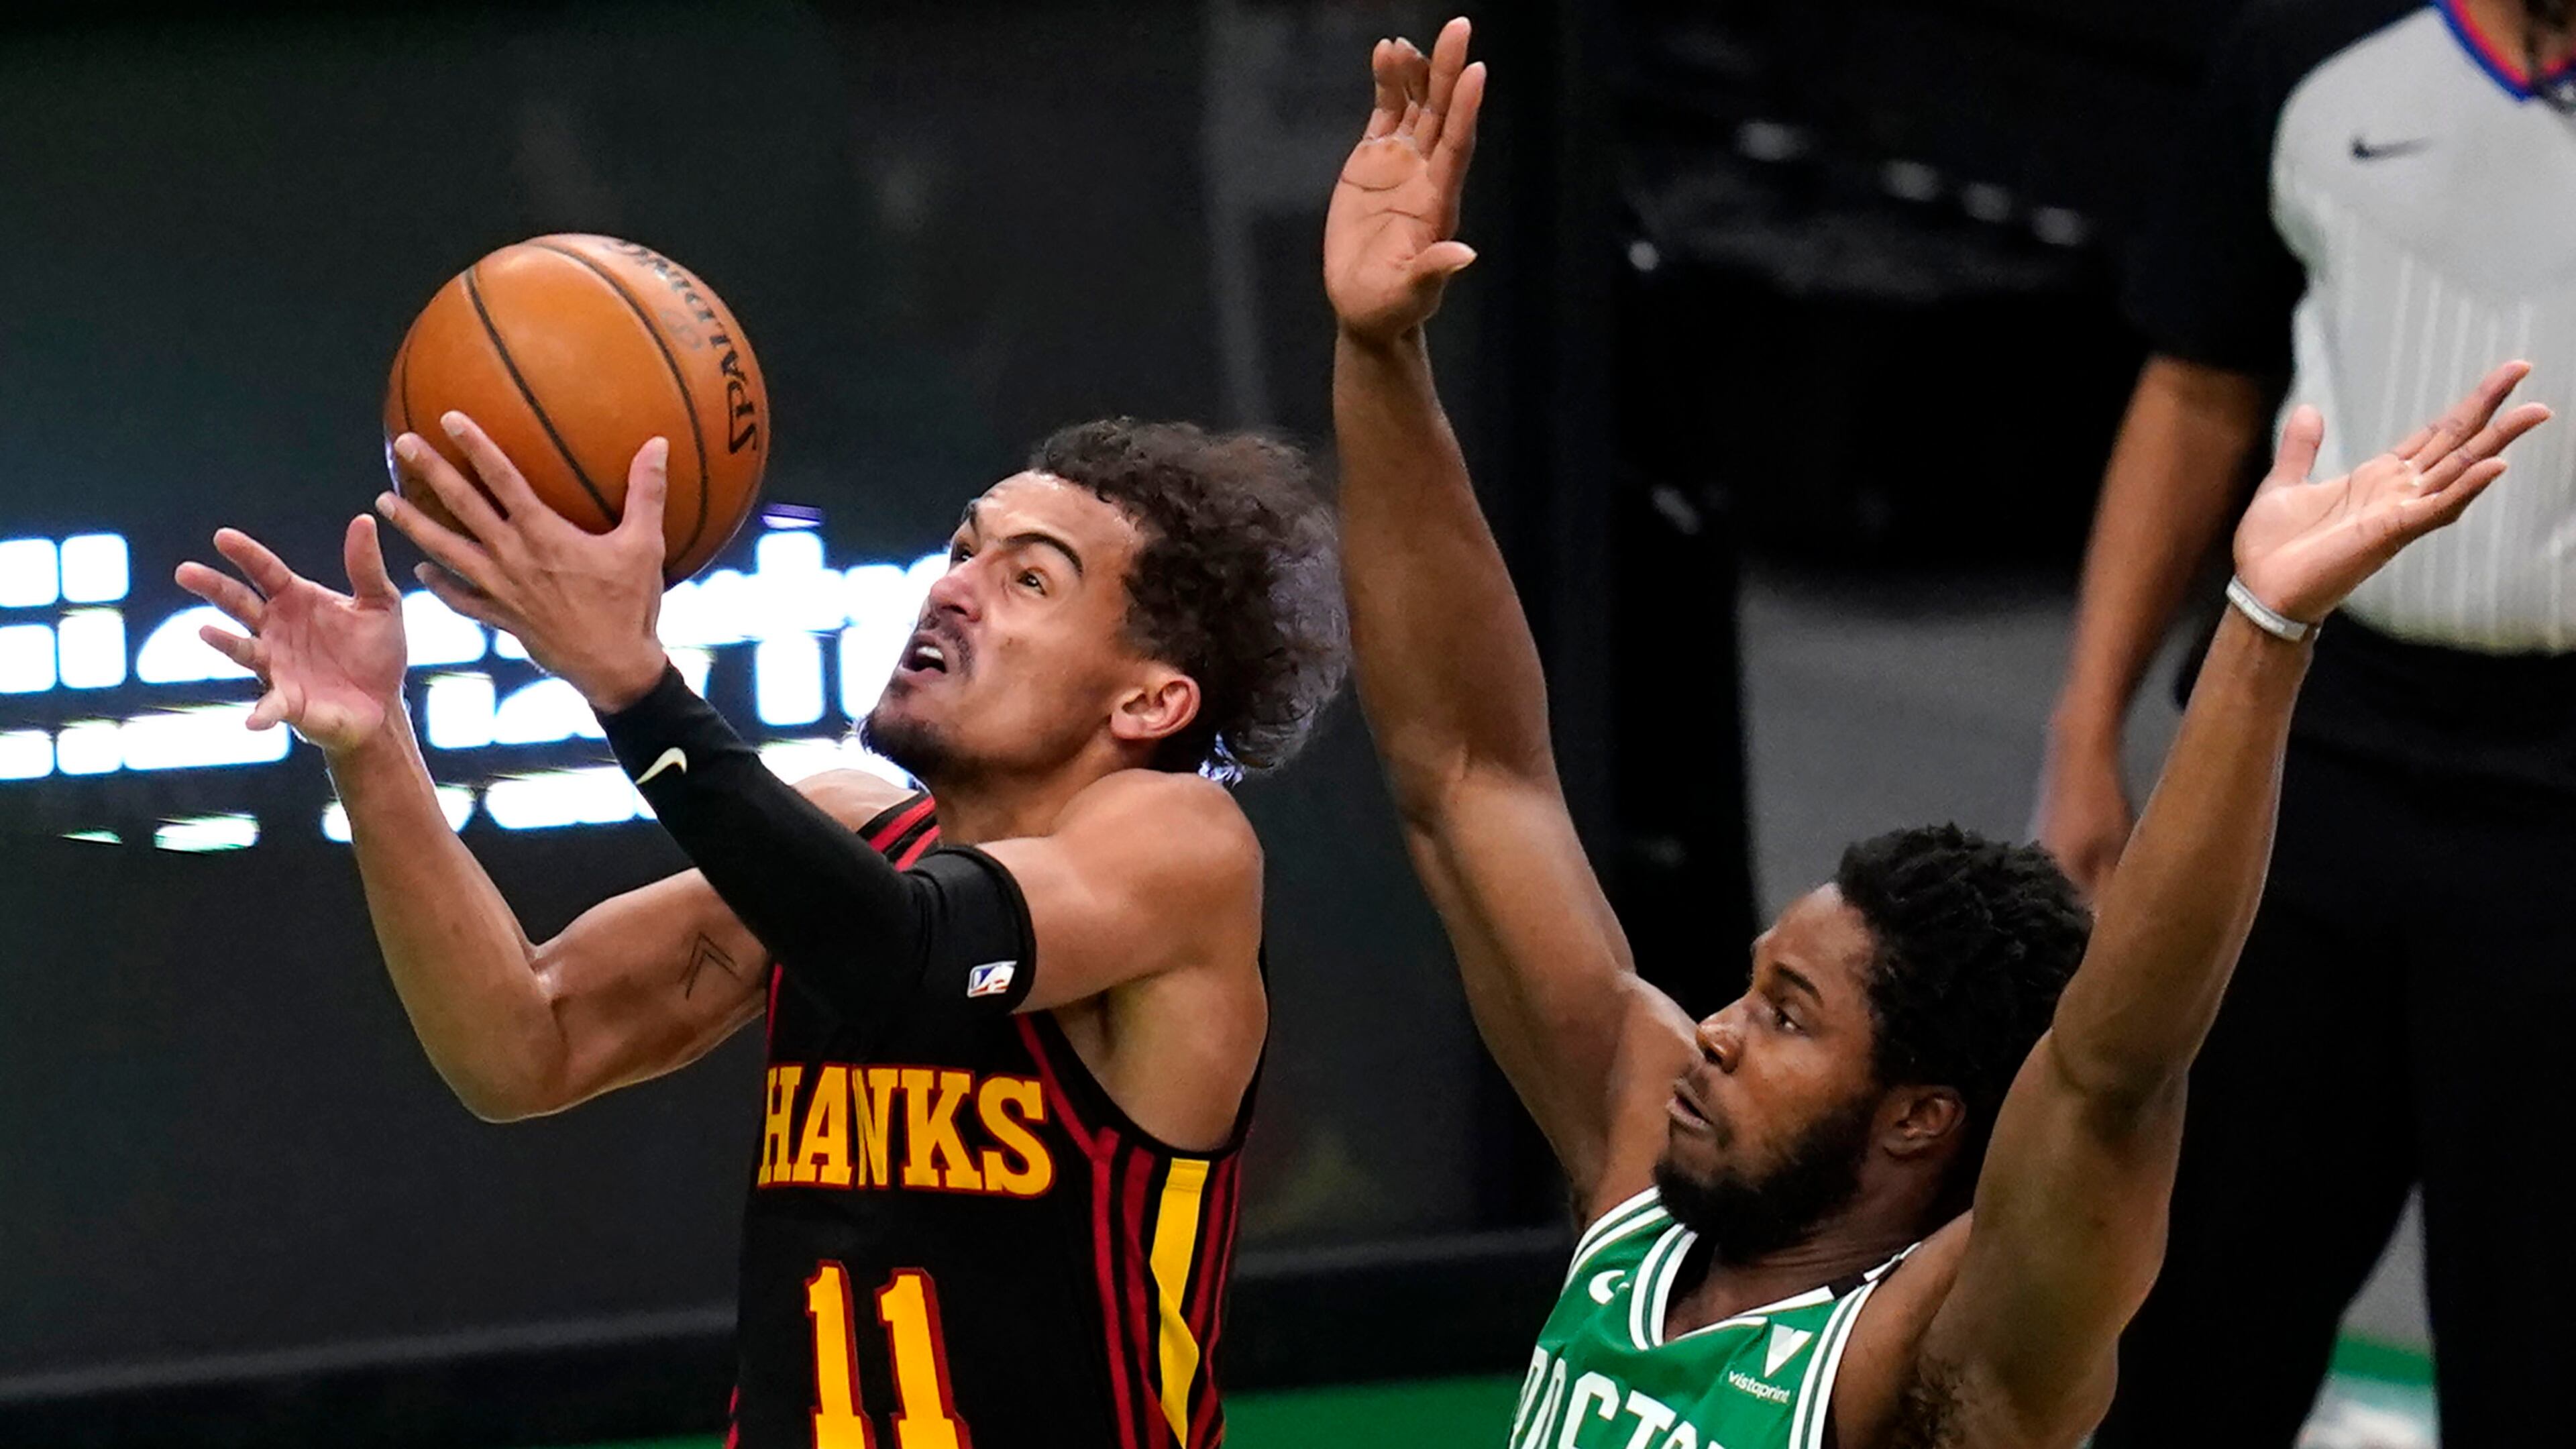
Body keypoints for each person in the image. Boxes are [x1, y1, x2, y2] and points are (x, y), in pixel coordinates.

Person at [1327, 20, 2548, 1449]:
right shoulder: (1641, 1187)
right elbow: (1470, 774)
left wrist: (2264, 634)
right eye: (1752, 990)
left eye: (1787, 1017)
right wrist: (1383, 352)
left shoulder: (1934, 1374)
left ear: (1916, 1118)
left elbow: (2112, 1070)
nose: (1710, 1036)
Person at [176, 409, 1343, 1447]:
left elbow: (911, 953)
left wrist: (636, 685)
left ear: (1149, 701)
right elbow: (524, 1043)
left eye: (1028, 580)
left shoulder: (1180, 848)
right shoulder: (848, 832)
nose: (951, 587)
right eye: (960, 550)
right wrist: (374, 747)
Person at [2029, 1, 2576, 1439]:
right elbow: (2199, 383)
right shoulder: (2305, 39)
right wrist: (2085, 733)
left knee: (2547, 1349)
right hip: (2302, 754)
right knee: (2200, 1310)